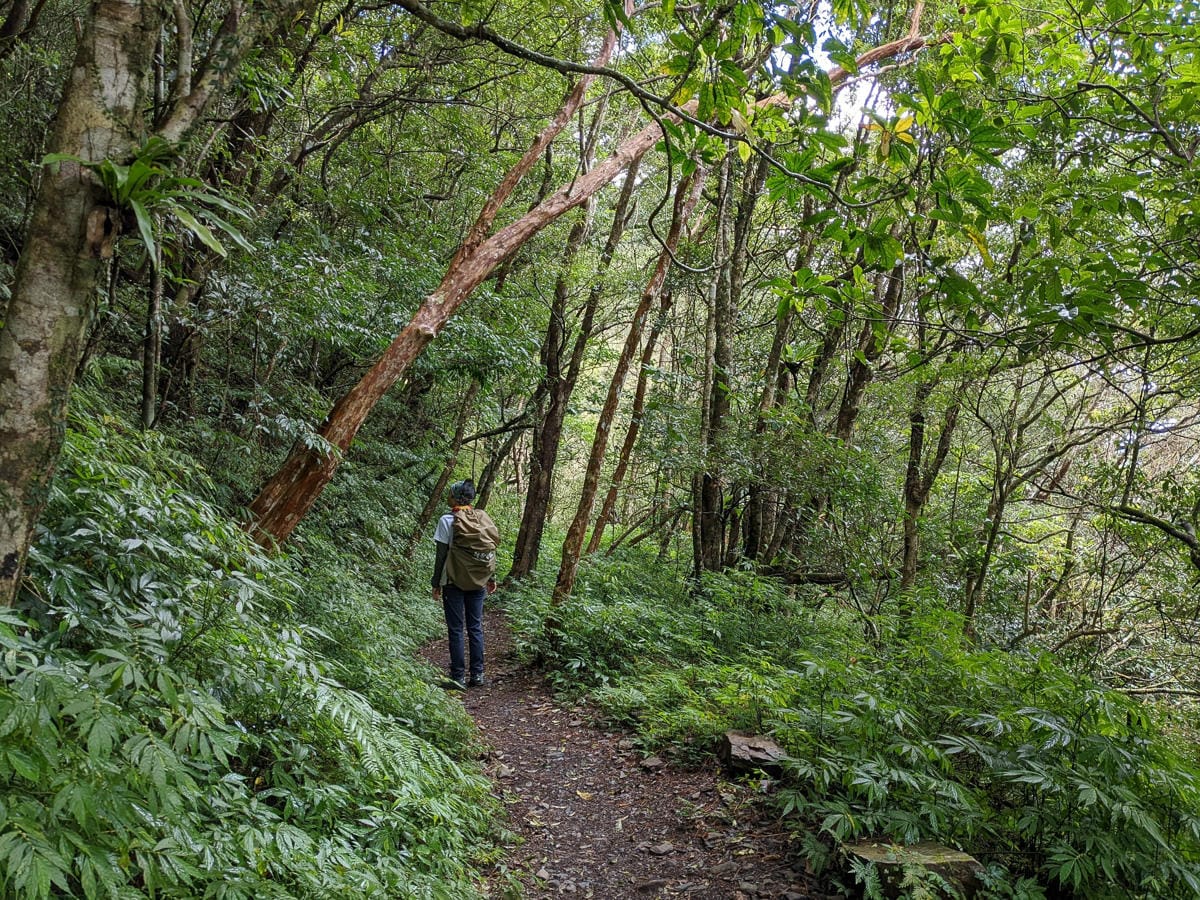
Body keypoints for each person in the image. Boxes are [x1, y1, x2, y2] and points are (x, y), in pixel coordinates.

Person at [431, 479, 497, 689]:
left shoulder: (446, 520)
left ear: (455, 497)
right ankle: (477, 675)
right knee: (475, 627)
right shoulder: (481, 518)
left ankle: (457, 677)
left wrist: (436, 583)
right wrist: (491, 578)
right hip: (478, 581)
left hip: (453, 580)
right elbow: (489, 551)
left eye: (450, 493)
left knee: (456, 629)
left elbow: (441, 556)